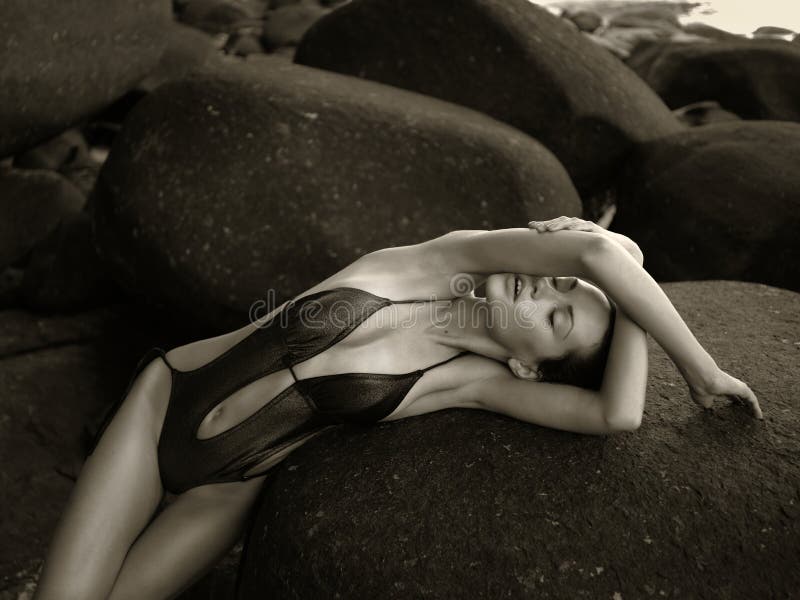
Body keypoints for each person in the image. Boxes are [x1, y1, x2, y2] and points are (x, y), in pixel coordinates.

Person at [33, 216, 762, 600]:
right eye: (558, 286)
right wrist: (696, 360)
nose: (544, 291)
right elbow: (597, 259)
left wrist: (635, 302)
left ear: (526, 365)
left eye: (557, 317)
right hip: (164, 399)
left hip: (226, 489)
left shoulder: (463, 382)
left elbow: (616, 415)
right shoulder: (440, 262)